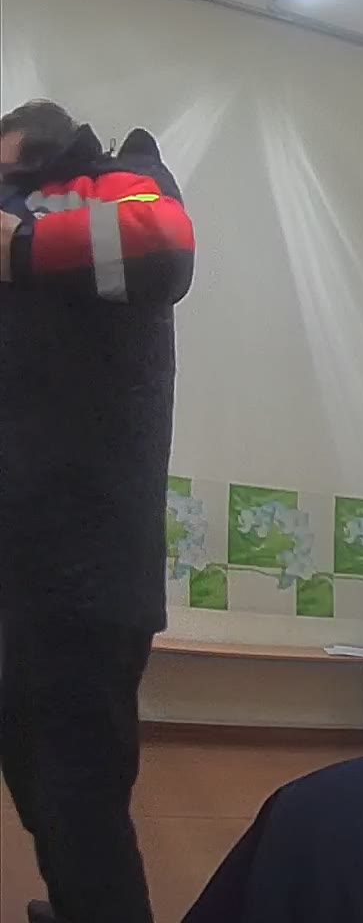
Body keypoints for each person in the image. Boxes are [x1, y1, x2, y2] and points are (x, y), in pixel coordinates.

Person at [0, 99, 196, 923]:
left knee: (79, 792)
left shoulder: (118, 175)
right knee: (35, 774)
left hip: (89, 567)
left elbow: (165, 246)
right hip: (21, 567)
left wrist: (17, 244)